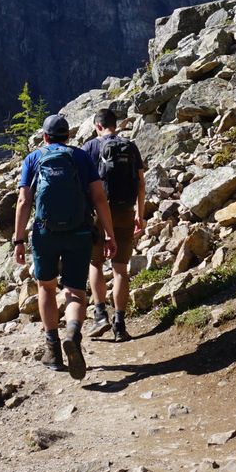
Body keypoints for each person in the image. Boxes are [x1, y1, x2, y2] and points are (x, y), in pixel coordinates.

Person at [13, 113, 116, 379]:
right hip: (79, 231)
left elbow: (24, 201)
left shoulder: (34, 159)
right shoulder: (80, 157)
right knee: (74, 290)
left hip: (45, 232)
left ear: (45, 137)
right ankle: (73, 332)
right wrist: (109, 234)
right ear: (68, 136)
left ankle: (53, 350)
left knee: (46, 286)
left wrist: (19, 239)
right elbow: (99, 197)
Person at [81, 108, 145, 342]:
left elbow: (83, 185)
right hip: (125, 212)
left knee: (95, 263)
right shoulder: (130, 146)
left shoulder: (90, 148)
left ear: (97, 126)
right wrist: (140, 214)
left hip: (99, 214)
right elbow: (140, 184)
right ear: (114, 125)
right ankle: (120, 324)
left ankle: (100, 316)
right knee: (120, 269)